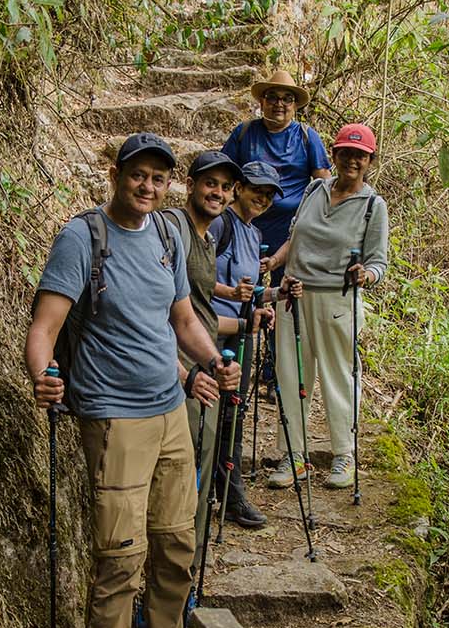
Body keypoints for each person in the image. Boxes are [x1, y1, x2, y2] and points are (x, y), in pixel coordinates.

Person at [26, 132, 239, 628]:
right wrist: (42, 377)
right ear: (116, 174)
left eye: (159, 178)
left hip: (170, 413)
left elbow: (181, 320)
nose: (148, 187)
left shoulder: (169, 237)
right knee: (119, 561)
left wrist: (211, 362)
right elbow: (45, 326)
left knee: (176, 549)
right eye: (138, 175)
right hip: (113, 420)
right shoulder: (82, 238)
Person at [263, 123, 387, 491]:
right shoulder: (315, 190)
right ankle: (294, 456)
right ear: (334, 155)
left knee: (339, 378)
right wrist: (275, 263)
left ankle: (343, 454)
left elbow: (379, 262)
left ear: (369, 161)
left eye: (359, 155)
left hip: (338, 300)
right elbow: (294, 237)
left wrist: (367, 275)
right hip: (294, 298)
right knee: (290, 376)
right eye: (345, 152)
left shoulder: (372, 206)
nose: (352, 160)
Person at [220, 71, 331, 393]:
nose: (279, 104)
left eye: (287, 98)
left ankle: (274, 373)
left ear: (295, 105)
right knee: (244, 294)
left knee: (285, 300)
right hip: (247, 226)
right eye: (273, 97)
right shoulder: (244, 134)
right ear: (262, 101)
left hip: (291, 231)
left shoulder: (307, 137)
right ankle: (233, 361)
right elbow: (224, 173)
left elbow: (323, 184)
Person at [158, 151, 244, 562]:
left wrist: (244, 326)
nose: (219, 193)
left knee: (203, 467)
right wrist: (183, 369)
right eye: (211, 183)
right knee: (183, 473)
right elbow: (171, 309)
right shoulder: (173, 228)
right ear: (189, 185)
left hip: (205, 367)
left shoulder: (208, 238)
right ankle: (170, 576)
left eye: (227, 187)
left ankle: (187, 571)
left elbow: (202, 312)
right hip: (180, 369)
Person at [208, 161, 282, 528]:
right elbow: (194, 278)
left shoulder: (253, 234)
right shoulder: (219, 224)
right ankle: (208, 490)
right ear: (239, 187)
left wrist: (275, 296)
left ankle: (230, 493)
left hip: (242, 331)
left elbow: (249, 292)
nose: (263, 199)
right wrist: (230, 293)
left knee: (234, 413)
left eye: (269, 195)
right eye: (258, 191)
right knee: (211, 414)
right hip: (212, 332)